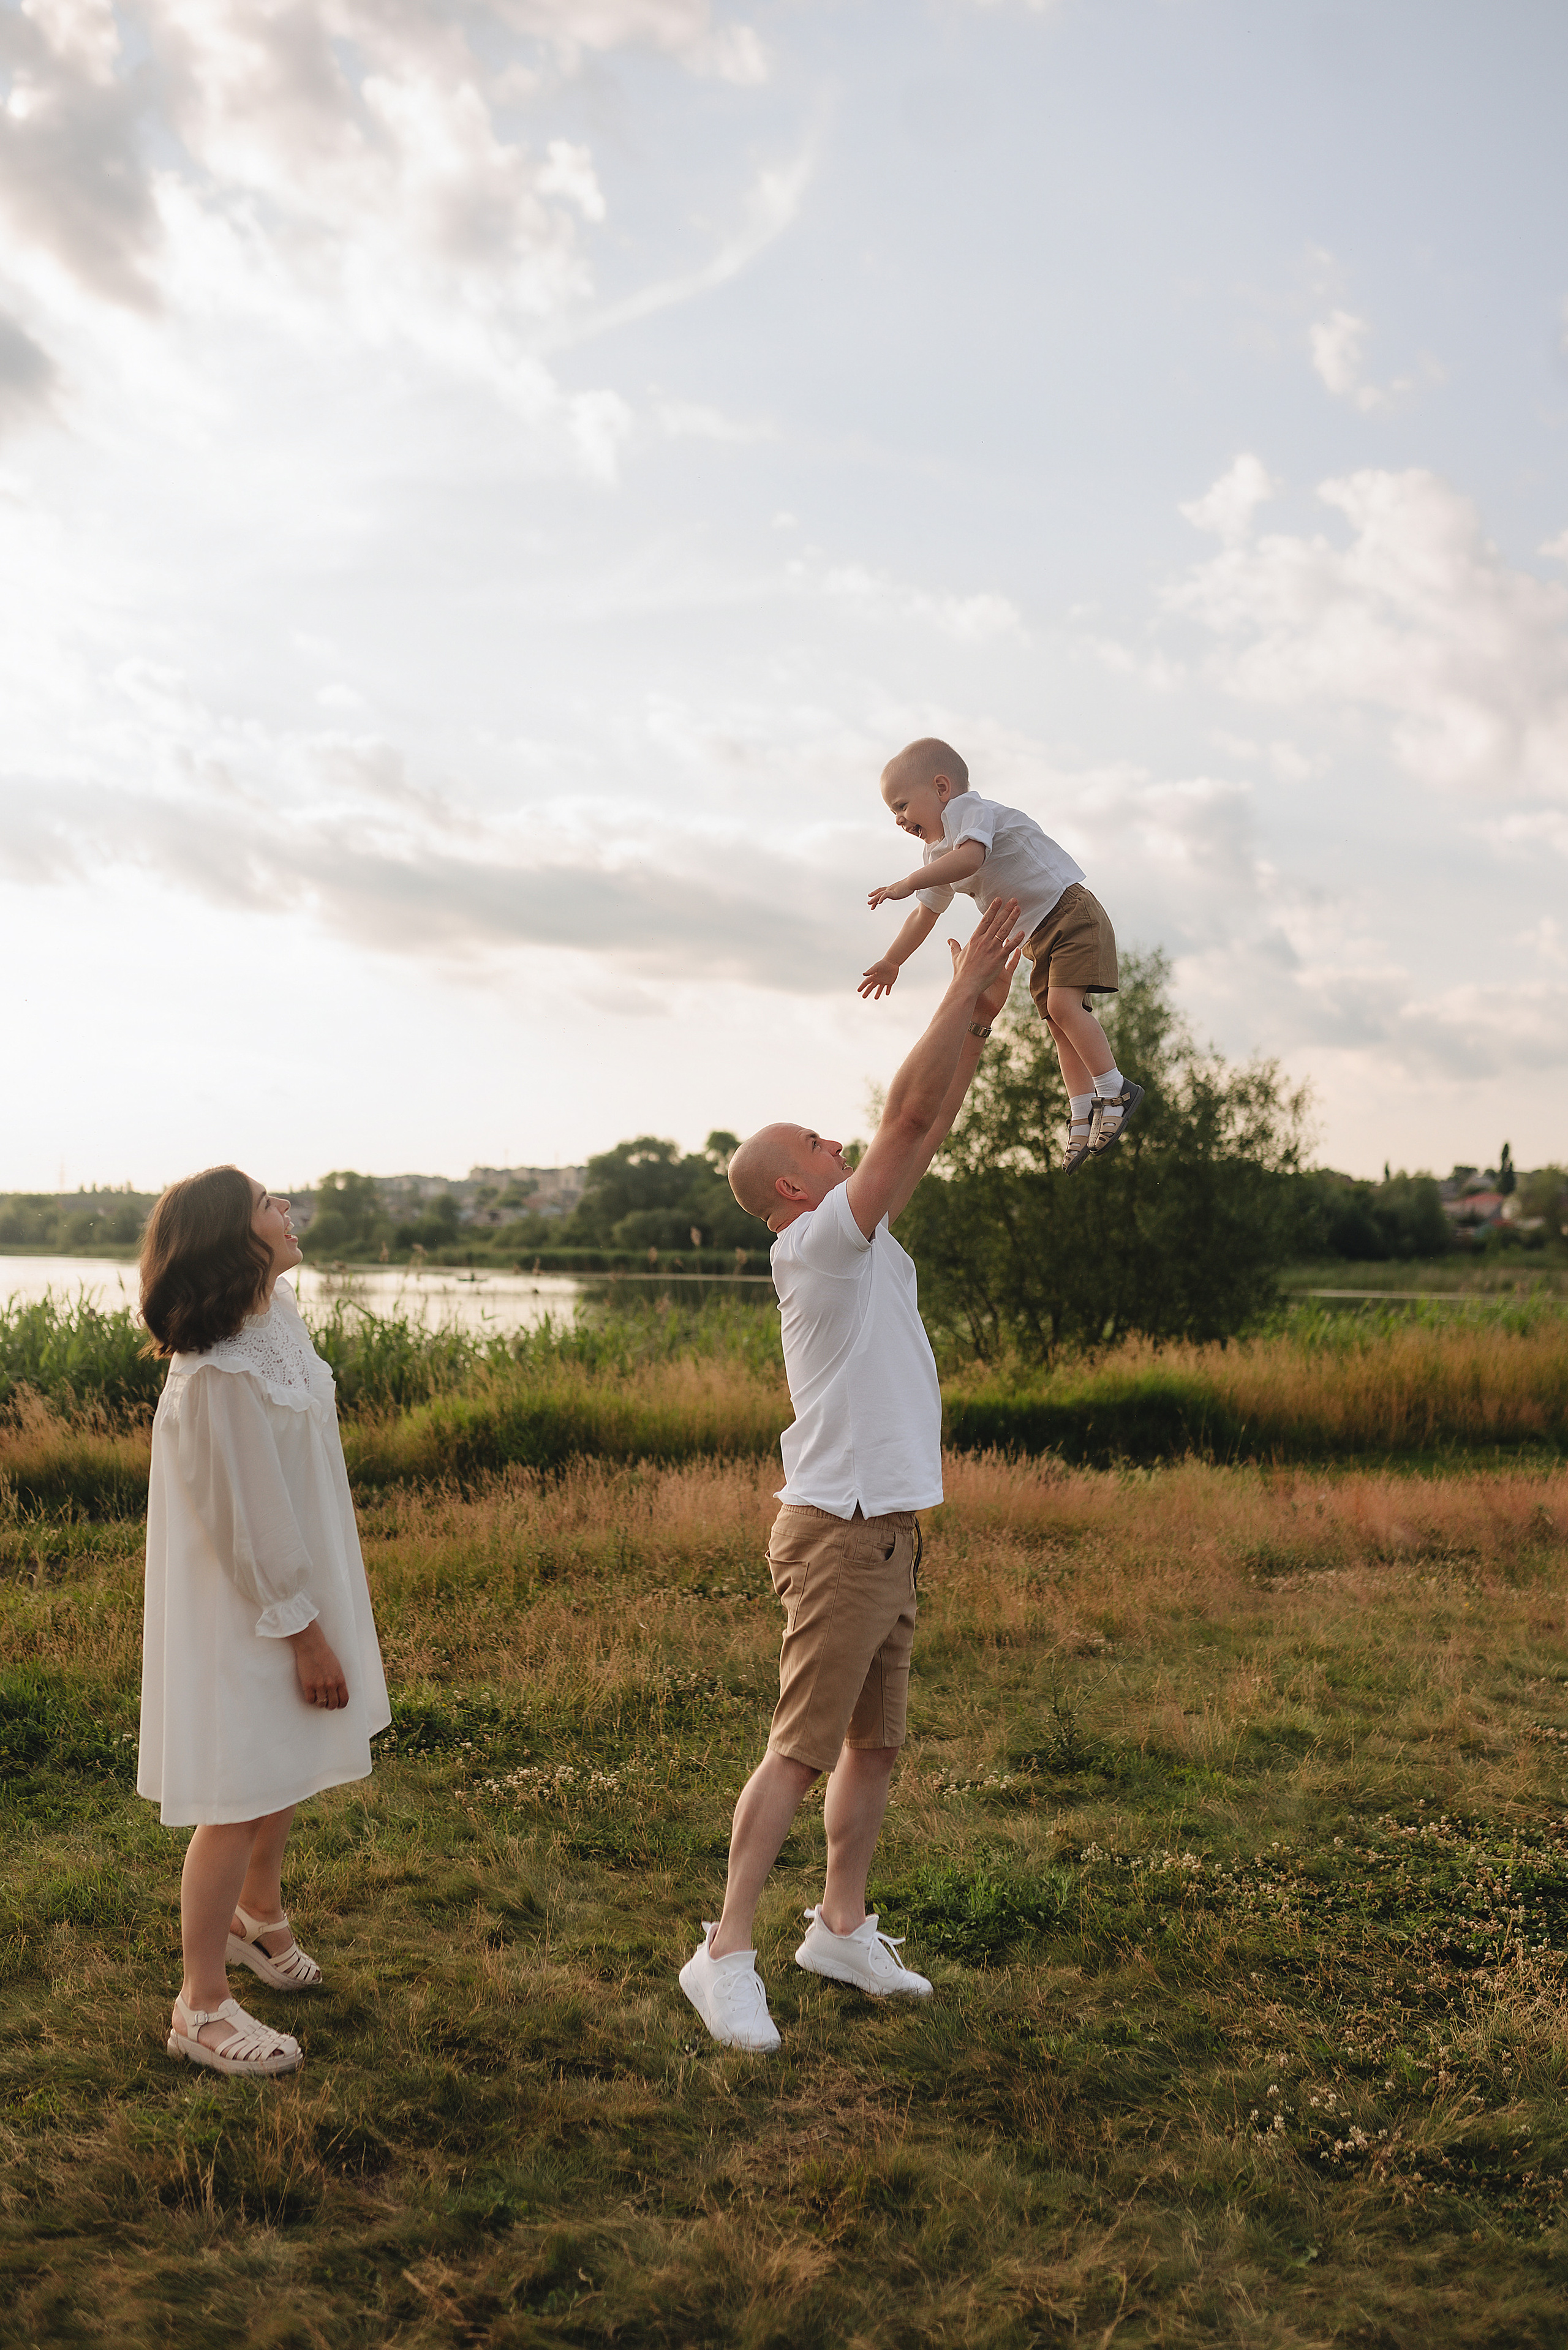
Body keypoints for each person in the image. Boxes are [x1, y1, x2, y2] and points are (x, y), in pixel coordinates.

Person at [678, 895, 1024, 2052]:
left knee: (875, 1745)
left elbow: (927, 1125)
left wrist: (979, 1016)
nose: (841, 1145)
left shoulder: (858, 1240)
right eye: (820, 1144)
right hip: (840, 1530)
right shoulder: (820, 1245)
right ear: (791, 1187)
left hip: (889, 1529)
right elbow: (907, 1117)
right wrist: (958, 987)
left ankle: (838, 1926)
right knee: (799, 1749)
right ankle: (724, 1952)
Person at [137, 1165, 391, 2077]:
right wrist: (305, 1632)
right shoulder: (215, 1374)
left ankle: (259, 1915)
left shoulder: (274, 1319)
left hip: (296, 1587)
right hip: (250, 1607)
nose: (286, 1209)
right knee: (236, 1793)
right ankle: (200, 2005)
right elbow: (247, 1524)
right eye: (267, 1203)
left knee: (281, 1761)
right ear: (230, 1239)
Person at [859, 736, 1143, 1172]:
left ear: (941, 788)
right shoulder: (936, 853)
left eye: (902, 806)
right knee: (1059, 1023)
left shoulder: (969, 810)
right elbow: (925, 914)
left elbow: (971, 859)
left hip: (1069, 912)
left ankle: (1115, 1089)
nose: (898, 819)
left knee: (1061, 1007)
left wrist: (909, 881)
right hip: (1038, 935)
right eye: (892, 812)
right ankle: (1083, 1112)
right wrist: (893, 960)